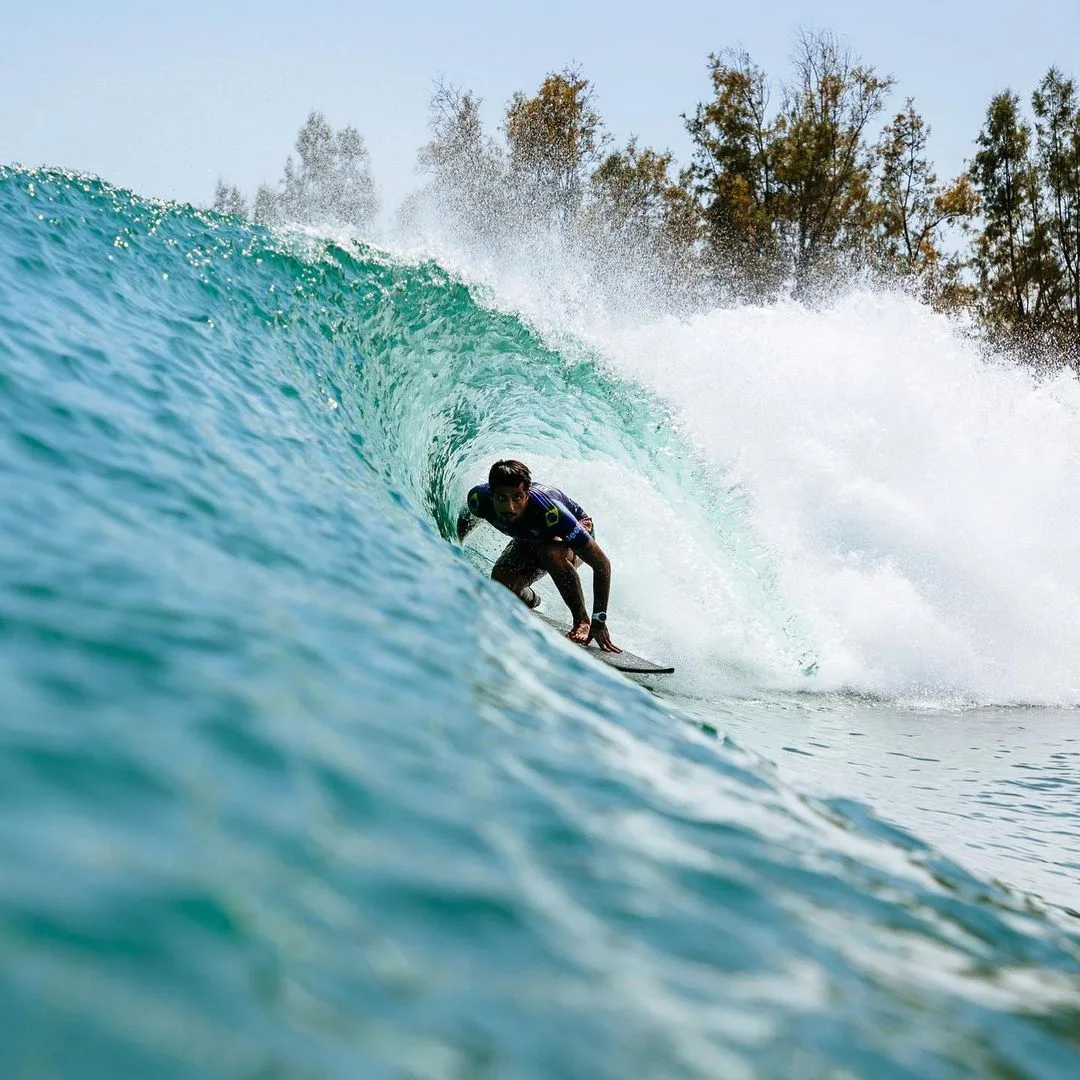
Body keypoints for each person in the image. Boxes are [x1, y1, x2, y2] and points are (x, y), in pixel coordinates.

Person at [457, 459, 621, 653]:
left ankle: (581, 620)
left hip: (572, 532)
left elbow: (602, 564)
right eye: (502, 498)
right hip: (532, 536)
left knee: (550, 553)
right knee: (502, 583)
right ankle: (531, 600)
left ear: (527, 494)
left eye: (517, 497)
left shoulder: (552, 513)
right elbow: (460, 533)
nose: (510, 507)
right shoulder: (478, 500)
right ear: (491, 495)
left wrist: (599, 620)